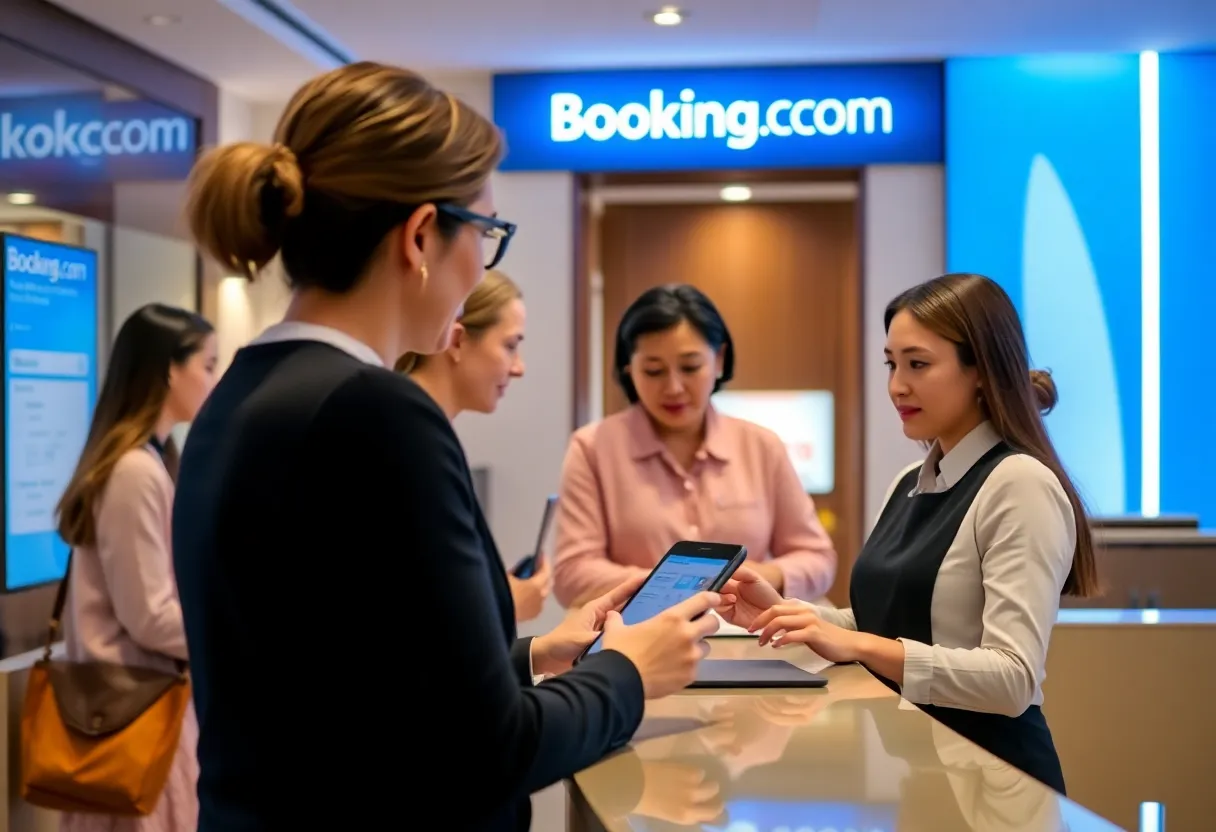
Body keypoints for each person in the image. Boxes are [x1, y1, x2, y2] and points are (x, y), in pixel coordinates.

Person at [175, 62, 720, 832]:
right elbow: (485, 754)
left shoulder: (241, 392)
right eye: (488, 233)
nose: (481, 271)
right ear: (422, 234)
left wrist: (533, 657)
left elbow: (349, 692)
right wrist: (627, 673)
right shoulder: (376, 413)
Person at [717, 273, 1097, 795]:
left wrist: (858, 643)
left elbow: (1012, 679)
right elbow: (885, 623)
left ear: (981, 370)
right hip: (926, 773)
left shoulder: (1020, 484)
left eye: (917, 364)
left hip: (1000, 784)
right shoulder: (909, 483)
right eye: (891, 364)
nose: (897, 385)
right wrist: (789, 616)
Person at [553, 283, 837, 608]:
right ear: (628, 369)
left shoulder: (761, 446)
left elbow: (818, 558)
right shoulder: (592, 449)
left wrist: (761, 576)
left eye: (690, 367)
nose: (673, 387)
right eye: (653, 370)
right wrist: (682, 586)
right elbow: (572, 574)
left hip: (747, 642)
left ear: (719, 360)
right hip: (633, 644)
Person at [55, 304, 218, 832]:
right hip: (136, 717)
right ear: (170, 369)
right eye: (208, 365)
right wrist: (227, 633)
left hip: (136, 714)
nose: (214, 380)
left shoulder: (148, 462)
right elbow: (148, 615)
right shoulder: (135, 471)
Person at [397, 269, 551, 622]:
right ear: (457, 341)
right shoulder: (415, 441)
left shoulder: (426, 432)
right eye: (510, 346)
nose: (519, 368)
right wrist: (504, 604)